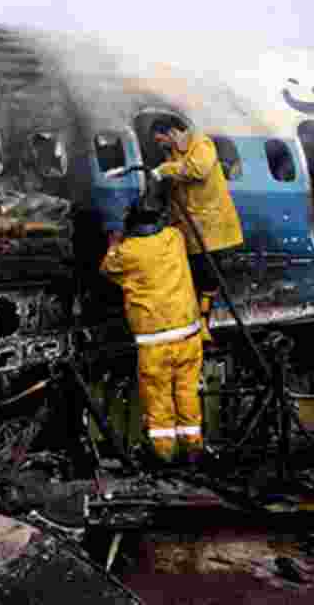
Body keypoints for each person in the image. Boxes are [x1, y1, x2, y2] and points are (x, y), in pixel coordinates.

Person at [100, 193, 205, 466]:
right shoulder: (175, 239)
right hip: (189, 334)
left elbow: (107, 269)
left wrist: (114, 242)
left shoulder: (127, 252)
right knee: (187, 392)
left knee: (158, 399)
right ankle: (193, 448)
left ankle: (163, 454)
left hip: (155, 341)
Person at [150, 120, 243, 344]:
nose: (159, 145)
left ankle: (203, 322)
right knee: (194, 277)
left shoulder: (201, 144)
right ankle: (195, 323)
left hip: (213, 228)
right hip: (192, 228)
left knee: (208, 278)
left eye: (159, 139)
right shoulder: (172, 154)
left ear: (171, 132)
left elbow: (197, 170)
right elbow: (177, 194)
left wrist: (164, 170)